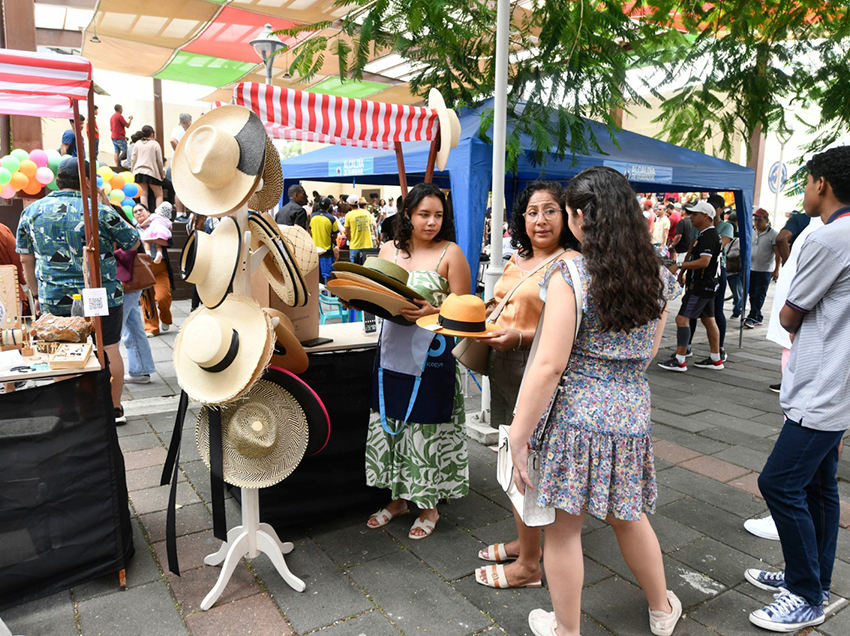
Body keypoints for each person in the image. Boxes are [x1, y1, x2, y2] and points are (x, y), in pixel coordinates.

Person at [510, 166, 682, 636]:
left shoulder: (571, 274)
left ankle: (567, 629)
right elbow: (647, 353)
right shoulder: (658, 276)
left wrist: (519, 435)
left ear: (579, 216)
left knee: (564, 530)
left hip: (577, 416)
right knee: (629, 515)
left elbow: (549, 365)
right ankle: (662, 609)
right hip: (631, 412)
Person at [744, 145, 850, 633]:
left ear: (821, 183)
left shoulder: (829, 237)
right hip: (835, 383)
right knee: (819, 488)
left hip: (820, 387)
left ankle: (806, 594)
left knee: (779, 483)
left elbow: (789, 314)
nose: (804, 191)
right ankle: (812, 580)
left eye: (806, 182)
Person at [473, 181, 579, 590]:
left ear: (566, 216)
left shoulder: (571, 263)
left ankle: (530, 565)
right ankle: (526, 541)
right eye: (532, 212)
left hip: (537, 371)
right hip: (503, 366)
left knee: (527, 463)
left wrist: (520, 336)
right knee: (509, 459)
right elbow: (508, 304)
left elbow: (572, 333)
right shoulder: (518, 257)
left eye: (550, 210)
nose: (540, 220)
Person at [365, 183, 471, 540]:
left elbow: (467, 312)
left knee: (426, 429)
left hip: (433, 360)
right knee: (392, 424)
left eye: (438, 215)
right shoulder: (388, 250)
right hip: (391, 353)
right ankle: (397, 500)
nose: (431, 222)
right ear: (407, 214)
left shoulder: (451, 253)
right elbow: (375, 295)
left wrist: (433, 311)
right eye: (424, 214)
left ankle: (429, 506)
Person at [16, 157, 140, 422]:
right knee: (108, 347)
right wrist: (106, 206)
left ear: (58, 180)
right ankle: (114, 408)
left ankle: (70, 411)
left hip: (55, 296)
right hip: (100, 294)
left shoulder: (32, 211)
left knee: (62, 351)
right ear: (87, 181)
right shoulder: (99, 211)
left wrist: (36, 294)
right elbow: (132, 242)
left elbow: (26, 259)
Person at [658, 200, 723, 372]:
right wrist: (682, 272)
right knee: (708, 320)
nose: (691, 217)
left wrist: (680, 266)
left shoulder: (708, 235)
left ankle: (680, 360)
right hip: (708, 284)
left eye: (695, 214)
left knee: (682, 319)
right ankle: (716, 359)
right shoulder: (706, 234)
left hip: (702, 285)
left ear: (706, 216)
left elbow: (704, 261)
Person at [687, 193, 733, 361]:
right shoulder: (697, 227)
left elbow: (714, 250)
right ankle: (688, 348)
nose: (692, 217)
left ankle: (718, 349)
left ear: (721, 209)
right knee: (698, 314)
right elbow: (692, 249)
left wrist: (681, 265)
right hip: (696, 272)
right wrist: (684, 269)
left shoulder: (724, 228)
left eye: (714, 207)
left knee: (712, 312)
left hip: (714, 273)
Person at [132, 202, 173, 337]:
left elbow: (169, 242)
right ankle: (151, 328)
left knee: (163, 297)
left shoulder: (158, 224)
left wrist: (152, 238)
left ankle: (166, 318)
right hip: (143, 268)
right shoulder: (133, 230)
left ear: (148, 213)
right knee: (147, 299)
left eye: (141, 210)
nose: (138, 213)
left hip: (159, 267)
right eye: (135, 212)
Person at [744, 208, 781, 328]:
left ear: (766, 220)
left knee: (760, 294)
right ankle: (757, 316)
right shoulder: (752, 232)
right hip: (751, 268)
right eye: (755, 220)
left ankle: (752, 317)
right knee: (752, 294)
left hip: (765, 269)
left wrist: (776, 269)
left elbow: (777, 254)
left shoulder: (773, 234)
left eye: (759, 220)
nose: (756, 222)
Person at [131, 125, 166, 212]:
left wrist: (132, 171)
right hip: (151, 172)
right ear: (152, 134)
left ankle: (145, 214)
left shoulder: (137, 143)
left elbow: (133, 159)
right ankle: (159, 214)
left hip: (138, 171)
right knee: (159, 195)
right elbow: (159, 161)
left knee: (143, 194)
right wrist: (162, 173)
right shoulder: (155, 144)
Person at [309, 196, 338, 282]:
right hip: (327, 251)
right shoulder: (331, 219)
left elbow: (309, 231)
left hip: (314, 250)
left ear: (318, 205)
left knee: (314, 275)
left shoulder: (312, 216)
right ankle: (327, 290)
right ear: (329, 206)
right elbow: (335, 235)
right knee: (328, 275)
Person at [345, 194, 374, 262]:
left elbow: (346, 232)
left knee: (354, 267)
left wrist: (350, 240)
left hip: (355, 245)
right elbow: (370, 228)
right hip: (368, 245)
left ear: (350, 204)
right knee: (367, 266)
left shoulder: (348, 215)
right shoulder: (367, 213)